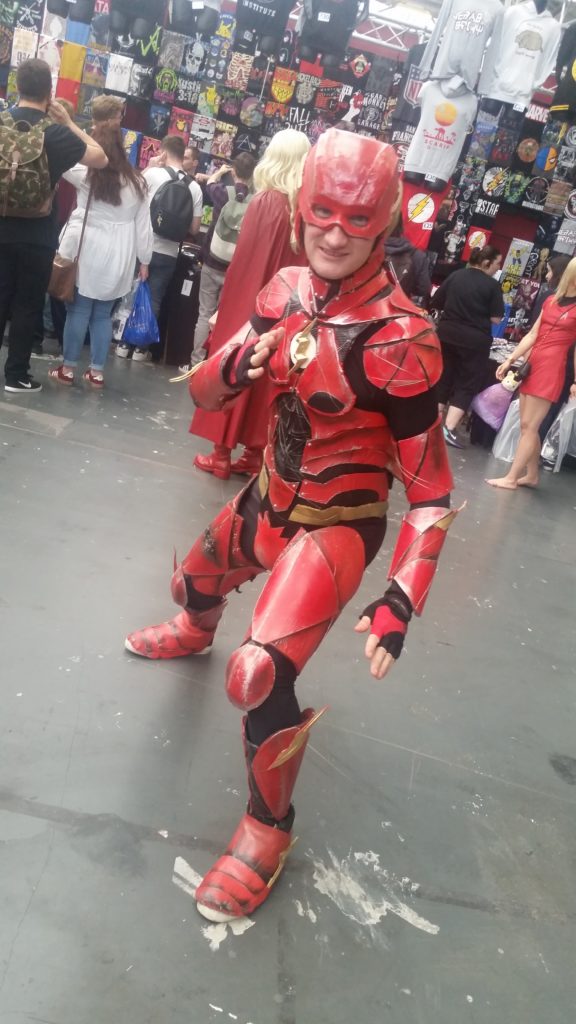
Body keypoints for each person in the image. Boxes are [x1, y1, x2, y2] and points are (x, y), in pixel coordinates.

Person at [124, 129, 457, 924]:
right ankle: (195, 627)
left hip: (338, 522)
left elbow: (431, 491)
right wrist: (238, 363)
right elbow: (205, 390)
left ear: (384, 223)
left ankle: (268, 828)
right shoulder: (285, 288)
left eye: (357, 219)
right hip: (269, 493)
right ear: (301, 206)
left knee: (258, 673)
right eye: (323, 213)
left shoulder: (401, 338)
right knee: (190, 586)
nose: (335, 234)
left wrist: (402, 597)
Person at [191, 128, 311, 480]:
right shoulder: (304, 211)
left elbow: (245, 264)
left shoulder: (264, 202)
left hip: (249, 304)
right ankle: (255, 454)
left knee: (235, 367)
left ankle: (221, 453)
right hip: (288, 311)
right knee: (270, 376)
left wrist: (226, 310)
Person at [0, 58, 107, 394]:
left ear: (17, 86)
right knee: (27, 305)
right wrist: (68, 122)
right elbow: (100, 156)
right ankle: (16, 375)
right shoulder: (55, 133)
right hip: (39, 234)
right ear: (50, 91)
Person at [48, 121, 152, 389]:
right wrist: (145, 260)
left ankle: (68, 368)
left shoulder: (85, 173)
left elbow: (61, 156)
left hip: (88, 249)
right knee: (103, 314)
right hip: (121, 252)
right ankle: (96, 372)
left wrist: (69, 126)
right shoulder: (138, 182)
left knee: (78, 310)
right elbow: (144, 227)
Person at [486, 256, 576, 489]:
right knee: (527, 426)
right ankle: (531, 475)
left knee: (529, 426)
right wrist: (511, 359)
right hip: (533, 364)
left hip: (551, 368)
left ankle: (512, 478)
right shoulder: (551, 300)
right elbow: (533, 334)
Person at [115, 135, 202, 361]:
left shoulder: (153, 174)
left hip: (142, 244)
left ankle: (123, 343)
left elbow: (128, 194)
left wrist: (148, 167)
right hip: (169, 252)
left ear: (163, 152)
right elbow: (195, 227)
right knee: (155, 298)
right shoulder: (194, 187)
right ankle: (140, 349)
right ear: (182, 155)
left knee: (132, 293)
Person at [187, 152, 257, 368]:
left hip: (212, 261)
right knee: (224, 317)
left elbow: (210, 183)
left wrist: (219, 172)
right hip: (234, 269)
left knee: (204, 314)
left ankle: (196, 363)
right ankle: (215, 364)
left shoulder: (223, 193)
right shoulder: (256, 201)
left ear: (234, 171)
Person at [431, 245, 504, 447]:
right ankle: (448, 429)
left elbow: (436, 301)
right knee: (466, 384)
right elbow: (497, 319)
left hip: (447, 334)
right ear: (487, 262)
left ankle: (432, 425)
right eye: (497, 263)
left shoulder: (456, 276)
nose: (498, 268)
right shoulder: (492, 286)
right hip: (474, 341)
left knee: (443, 378)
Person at [385, 216, 431, 305]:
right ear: (401, 227)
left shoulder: (368, 250)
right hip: (398, 307)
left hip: (367, 308)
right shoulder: (417, 256)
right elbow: (423, 289)